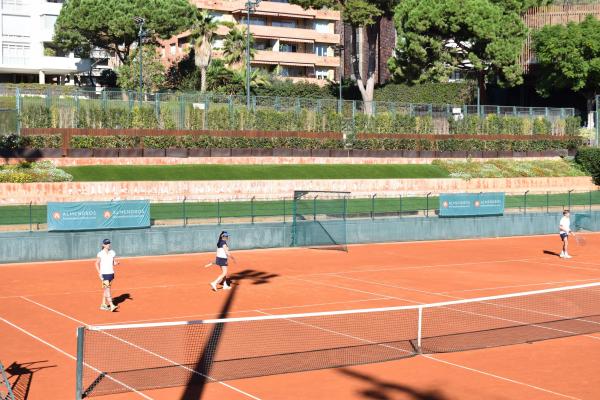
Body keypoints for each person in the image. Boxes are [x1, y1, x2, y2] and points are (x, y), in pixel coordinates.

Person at [95, 238, 119, 311]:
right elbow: (96, 263)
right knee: (107, 289)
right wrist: (99, 273)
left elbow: (113, 262)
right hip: (104, 275)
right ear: (103, 245)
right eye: (106, 243)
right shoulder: (100, 253)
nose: (108, 245)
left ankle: (103, 305)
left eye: (108, 243)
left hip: (111, 274)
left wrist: (116, 263)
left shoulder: (112, 252)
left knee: (106, 289)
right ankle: (111, 305)